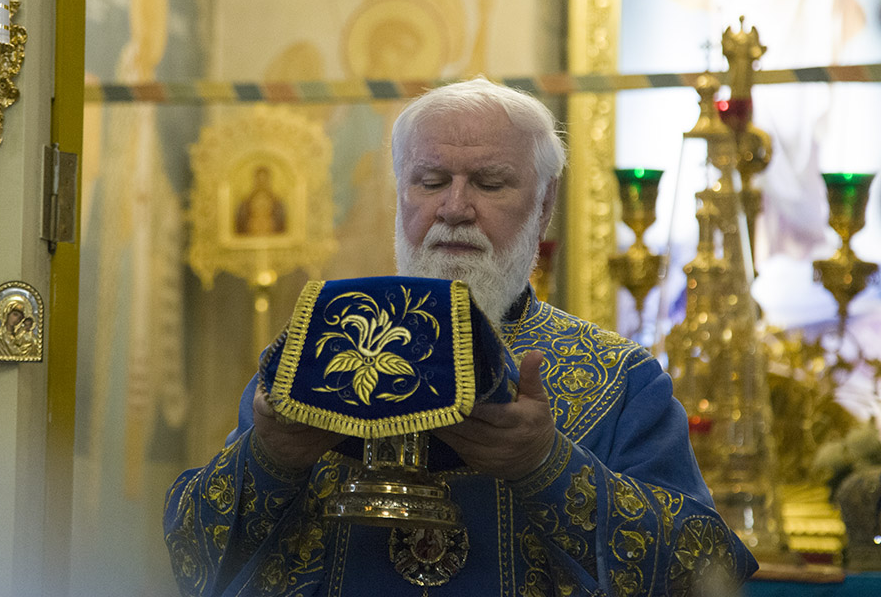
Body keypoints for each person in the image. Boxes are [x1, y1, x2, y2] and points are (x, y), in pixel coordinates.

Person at [164, 77, 759, 596]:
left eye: (490, 183)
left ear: (544, 204)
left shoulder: (621, 383)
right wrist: (269, 459)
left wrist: (548, 467)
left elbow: (706, 574)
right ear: (399, 194)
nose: (454, 207)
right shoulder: (319, 355)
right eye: (429, 181)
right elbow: (192, 563)